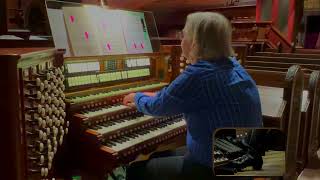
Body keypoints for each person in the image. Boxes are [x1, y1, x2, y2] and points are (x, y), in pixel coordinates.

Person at [123, 12, 263, 180]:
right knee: (157, 157)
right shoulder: (234, 67)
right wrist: (158, 94)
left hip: (216, 169)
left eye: (184, 36)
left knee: (136, 170)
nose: (182, 42)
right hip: (242, 162)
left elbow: (158, 107)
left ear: (195, 42)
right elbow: (181, 95)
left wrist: (136, 97)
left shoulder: (199, 74)